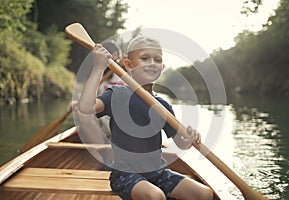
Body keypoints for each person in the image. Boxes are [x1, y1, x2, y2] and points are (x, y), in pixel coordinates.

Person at [77, 35, 213, 200]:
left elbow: (180, 143)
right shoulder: (117, 95)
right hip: (125, 174)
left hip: (157, 172)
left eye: (157, 59)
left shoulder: (163, 105)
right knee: (156, 196)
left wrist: (190, 138)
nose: (151, 63)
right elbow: (85, 108)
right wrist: (98, 68)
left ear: (162, 67)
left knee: (204, 194)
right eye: (144, 58)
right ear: (128, 65)